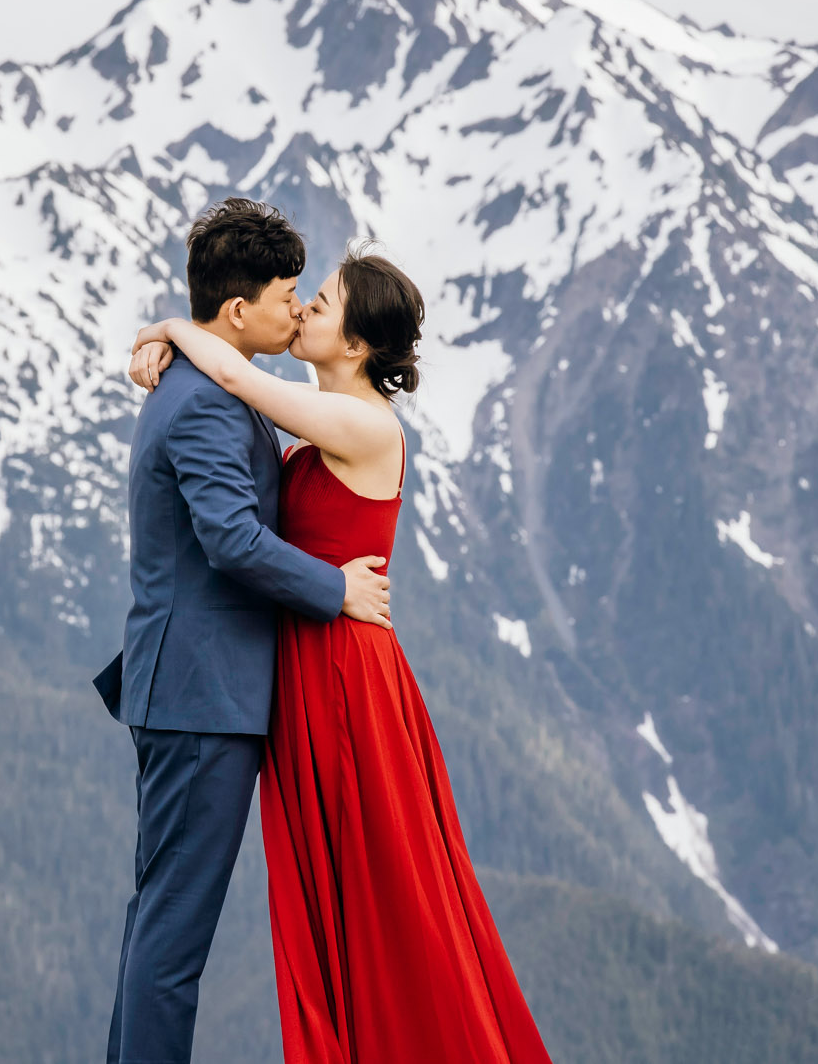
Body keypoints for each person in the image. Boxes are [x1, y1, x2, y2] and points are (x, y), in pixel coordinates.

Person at [127, 244, 554, 1064]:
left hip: (345, 681)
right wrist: (166, 334)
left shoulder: (361, 421)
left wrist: (172, 327)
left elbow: (245, 379)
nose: (305, 311)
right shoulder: (326, 421)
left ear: (355, 344)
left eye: (319, 303)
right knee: (337, 892)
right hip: (308, 674)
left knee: (381, 888)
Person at [94, 199, 394, 1064]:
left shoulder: (210, 383)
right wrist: (333, 589)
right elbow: (230, 540)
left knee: (158, 918)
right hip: (201, 698)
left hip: (197, 690)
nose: (296, 309)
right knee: (173, 937)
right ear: (237, 311)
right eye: (287, 294)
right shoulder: (205, 406)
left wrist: (163, 330)